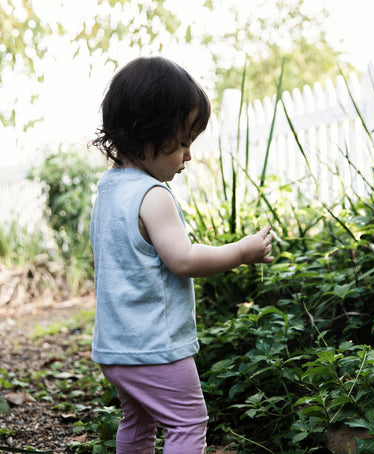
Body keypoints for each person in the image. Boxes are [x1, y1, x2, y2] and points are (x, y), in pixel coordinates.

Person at [90, 56, 275, 454]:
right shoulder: (152, 195)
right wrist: (241, 251)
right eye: (184, 142)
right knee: (187, 422)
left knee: (138, 420)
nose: (188, 156)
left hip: (116, 346)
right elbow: (183, 259)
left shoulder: (109, 188)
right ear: (147, 132)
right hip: (155, 347)